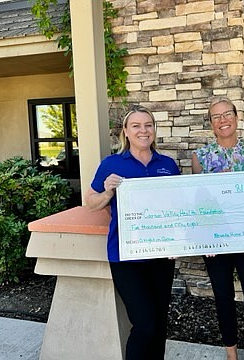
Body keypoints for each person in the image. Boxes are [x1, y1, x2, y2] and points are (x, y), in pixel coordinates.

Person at [85, 105, 180, 360]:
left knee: (159, 324)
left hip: (161, 256)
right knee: (145, 324)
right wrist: (107, 192)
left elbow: (178, 208)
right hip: (126, 257)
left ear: (154, 130)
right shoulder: (112, 164)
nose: (143, 130)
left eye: (148, 125)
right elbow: (91, 202)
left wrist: (178, 243)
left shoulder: (168, 165)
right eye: (136, 125)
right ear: (126, 132)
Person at [192, 97, 244, 360]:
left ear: (237, 118)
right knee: (223, 299)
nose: (222, 120)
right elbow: (201, 204)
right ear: (211, 124)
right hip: (216, 244)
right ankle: (231, 354)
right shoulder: (200, 158)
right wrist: (206, 239)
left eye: (227, 114)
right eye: (216, 116)